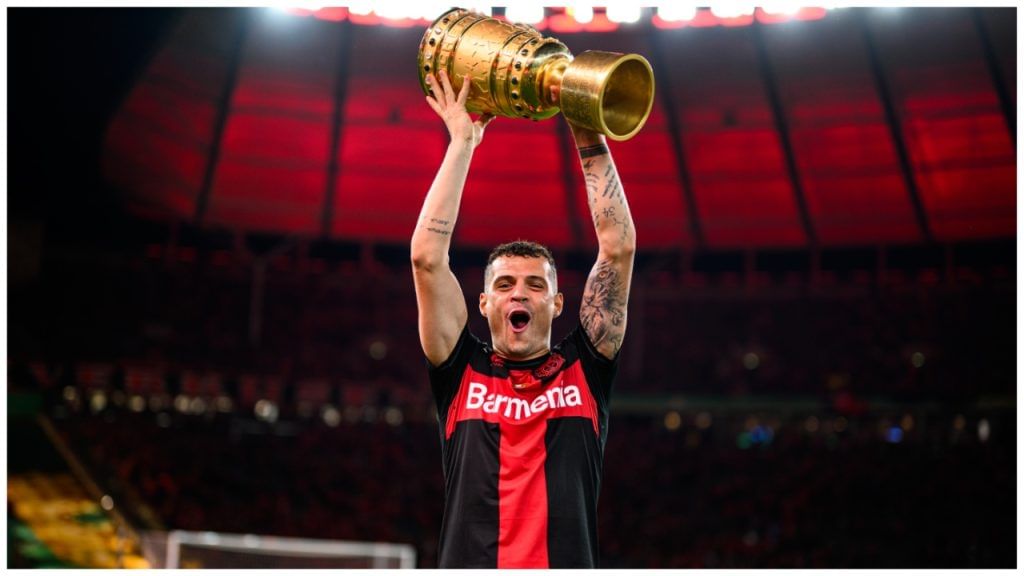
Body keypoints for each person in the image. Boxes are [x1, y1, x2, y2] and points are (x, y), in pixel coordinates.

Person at [411, 69, 636, 568]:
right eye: (505, 285)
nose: (522, 294)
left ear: (557, 304)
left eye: (537, 286)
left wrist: (587, 128)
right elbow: (427, 257)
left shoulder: (586, 367)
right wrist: (462, 144)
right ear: (484, 303)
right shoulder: (460, 369)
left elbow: (617, 248)